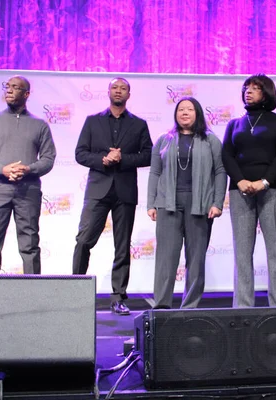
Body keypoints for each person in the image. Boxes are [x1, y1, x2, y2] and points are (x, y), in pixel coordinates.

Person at [73, 77, 153, 316]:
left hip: (125, 192)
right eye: (115, 88)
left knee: (122, 245)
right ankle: (75, 292)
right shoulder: (92, 121)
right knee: (84, 240)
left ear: (129, 94)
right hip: (98, 189)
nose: (119, 91)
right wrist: (102, 160)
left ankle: (118, 297)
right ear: (108, 92)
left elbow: (148, 155)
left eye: (124, 88)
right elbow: (80, 154)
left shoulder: (139, 124)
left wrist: (123, 159)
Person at [147, 97, 227, 309]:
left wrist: (217, 202)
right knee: (166, 259)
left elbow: (220, 171)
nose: (184, 113)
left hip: (200, 205)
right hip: (167, 204)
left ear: (197, 113)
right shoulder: (164, 139)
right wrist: (151, 204)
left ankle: (189, 307)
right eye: (181, 109)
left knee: (196, 258)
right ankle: (161, 307)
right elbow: (155, 172)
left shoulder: (211, 140)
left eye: (189, 109)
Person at [0, 75, 57, 275]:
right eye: (7, 86)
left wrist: (28, 169)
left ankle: (32, 297)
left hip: (28, 191)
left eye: (16, 88)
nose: (9, 90)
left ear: (26, 94)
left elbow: (48, 158)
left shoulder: (40, 125)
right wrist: (3, 170)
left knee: (29, 245)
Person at [222, 74, 276, 308]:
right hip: (240, 190)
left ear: (267, 92)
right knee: (242, 251)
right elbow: (227, 156)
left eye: (255, 88)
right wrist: (240, 181)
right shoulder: (234, 124)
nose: (248, 91)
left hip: (272, 189)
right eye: (246, 88)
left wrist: (265, 181)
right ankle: (242, 306)